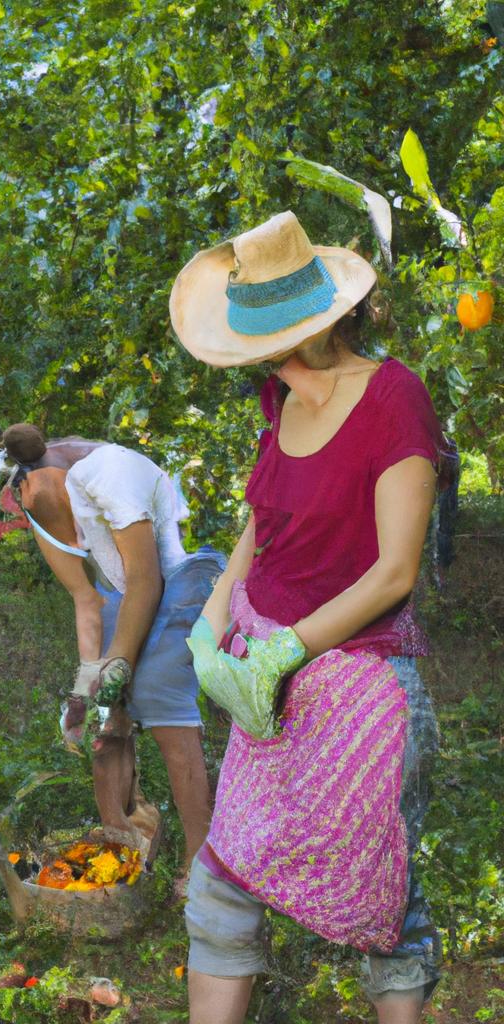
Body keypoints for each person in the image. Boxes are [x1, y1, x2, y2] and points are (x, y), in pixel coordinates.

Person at [169, 211, 445, 1024]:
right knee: (225, 875)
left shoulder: (394, 397)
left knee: (383, 895)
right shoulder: (275, 396)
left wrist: (290, 648)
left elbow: (394, 569)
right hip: (268, 687)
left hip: (358, 688)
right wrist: (213, 621)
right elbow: (264, 520)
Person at [0, 426, 225, 888]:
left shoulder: (109, 473)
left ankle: (203, 854)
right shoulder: (40, 493)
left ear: (24, 477)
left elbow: (148, 581)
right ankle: (125, 837)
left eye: (8, 504)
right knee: (102, 718)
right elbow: (87, 602)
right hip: (126, 594)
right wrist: (86, 691)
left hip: (184, 582)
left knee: (153, 691)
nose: (15, 513)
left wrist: (119, 667)